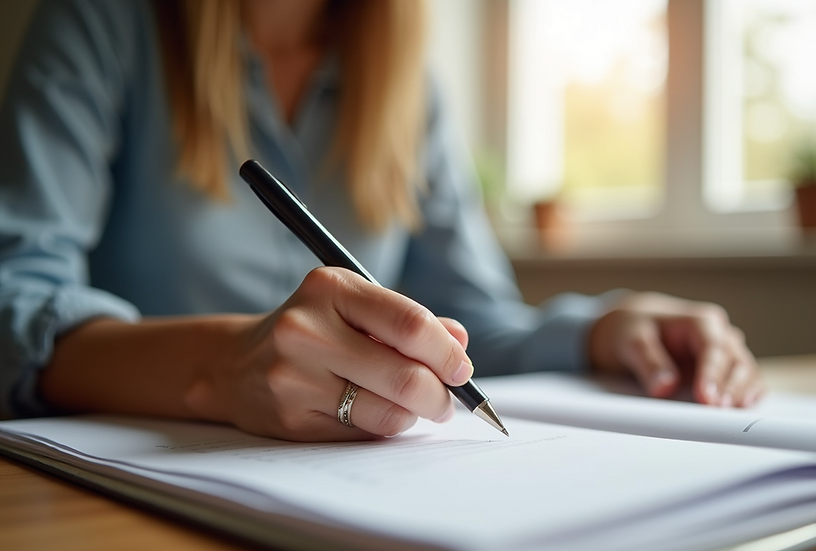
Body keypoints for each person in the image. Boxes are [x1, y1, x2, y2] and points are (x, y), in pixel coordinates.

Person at [0, 0, 764, 442]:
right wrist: (217, 367)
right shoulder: (100, 24)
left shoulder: (408, 86)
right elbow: (13, 306)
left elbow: (465, 326)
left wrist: (602, 330)